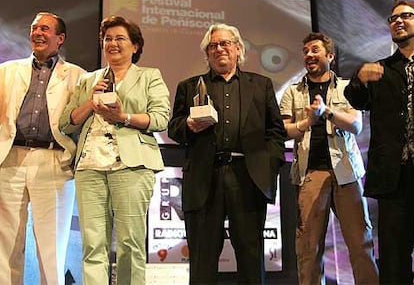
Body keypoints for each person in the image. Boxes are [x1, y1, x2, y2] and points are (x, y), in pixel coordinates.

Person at [168, 23, 286, 284]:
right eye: (213, 45)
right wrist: (188, 124)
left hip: (248, 177)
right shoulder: (189, 86)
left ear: (238, 49)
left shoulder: (261, 85)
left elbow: (275, 131)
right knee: (202, 256)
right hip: (203, 178)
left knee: (251, 255)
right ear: (207, 53)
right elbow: (173, 128)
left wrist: (270, 166)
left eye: (225, 43)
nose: (219, 48)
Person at [59, 15, 170, 285]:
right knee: (92, 244)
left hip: (131, 166)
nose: (113, 43)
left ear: (135, 46)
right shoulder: (89, 79)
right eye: (108, 38)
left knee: (130, 243)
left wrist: (124, 117)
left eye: (120, 38)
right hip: (89, 167)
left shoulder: (149, 76)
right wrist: (90, 102)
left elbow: (160, 118)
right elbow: (66, 122)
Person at [280, 32, 379, 285]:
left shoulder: (347, 88)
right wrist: (307, 122)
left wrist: (327, 112)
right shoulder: (293, 92)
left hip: (346, 172)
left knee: (360, 244)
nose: (309, 55)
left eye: (315, 50)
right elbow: (284, 131)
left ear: (330, 56)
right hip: (310, 173)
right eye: (305, 51)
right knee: (308, 248)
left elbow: (356, 125)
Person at [0, 12, 85, 284]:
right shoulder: (7, 71)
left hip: (53, 160)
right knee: (5, 242)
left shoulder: (77, 76)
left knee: (52, 245)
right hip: (10, 157)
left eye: (45, 29)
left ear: (59, 39)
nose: (37, 32)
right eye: (34, 28)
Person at [344, 0, 414, 284]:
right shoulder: (382, 69)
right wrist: (359, 79)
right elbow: (356, 99)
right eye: (393, 18)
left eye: (406, 16)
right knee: (394, 256)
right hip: (394, 175)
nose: (398, 21)